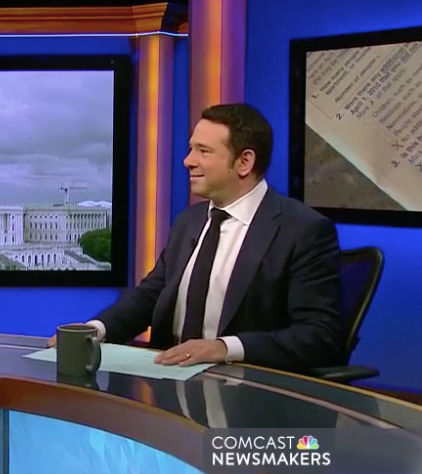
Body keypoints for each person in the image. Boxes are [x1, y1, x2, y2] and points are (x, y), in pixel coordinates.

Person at [49, 103, 345, 374]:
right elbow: (151, 294)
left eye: (203, 151)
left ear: (244, 162)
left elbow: (320, 335)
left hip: (245, 389)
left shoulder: (302, 230)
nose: (187, 161)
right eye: (191, 149)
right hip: (167, 377)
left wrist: (225, 348)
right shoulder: (189, 221)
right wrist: (96, 329)